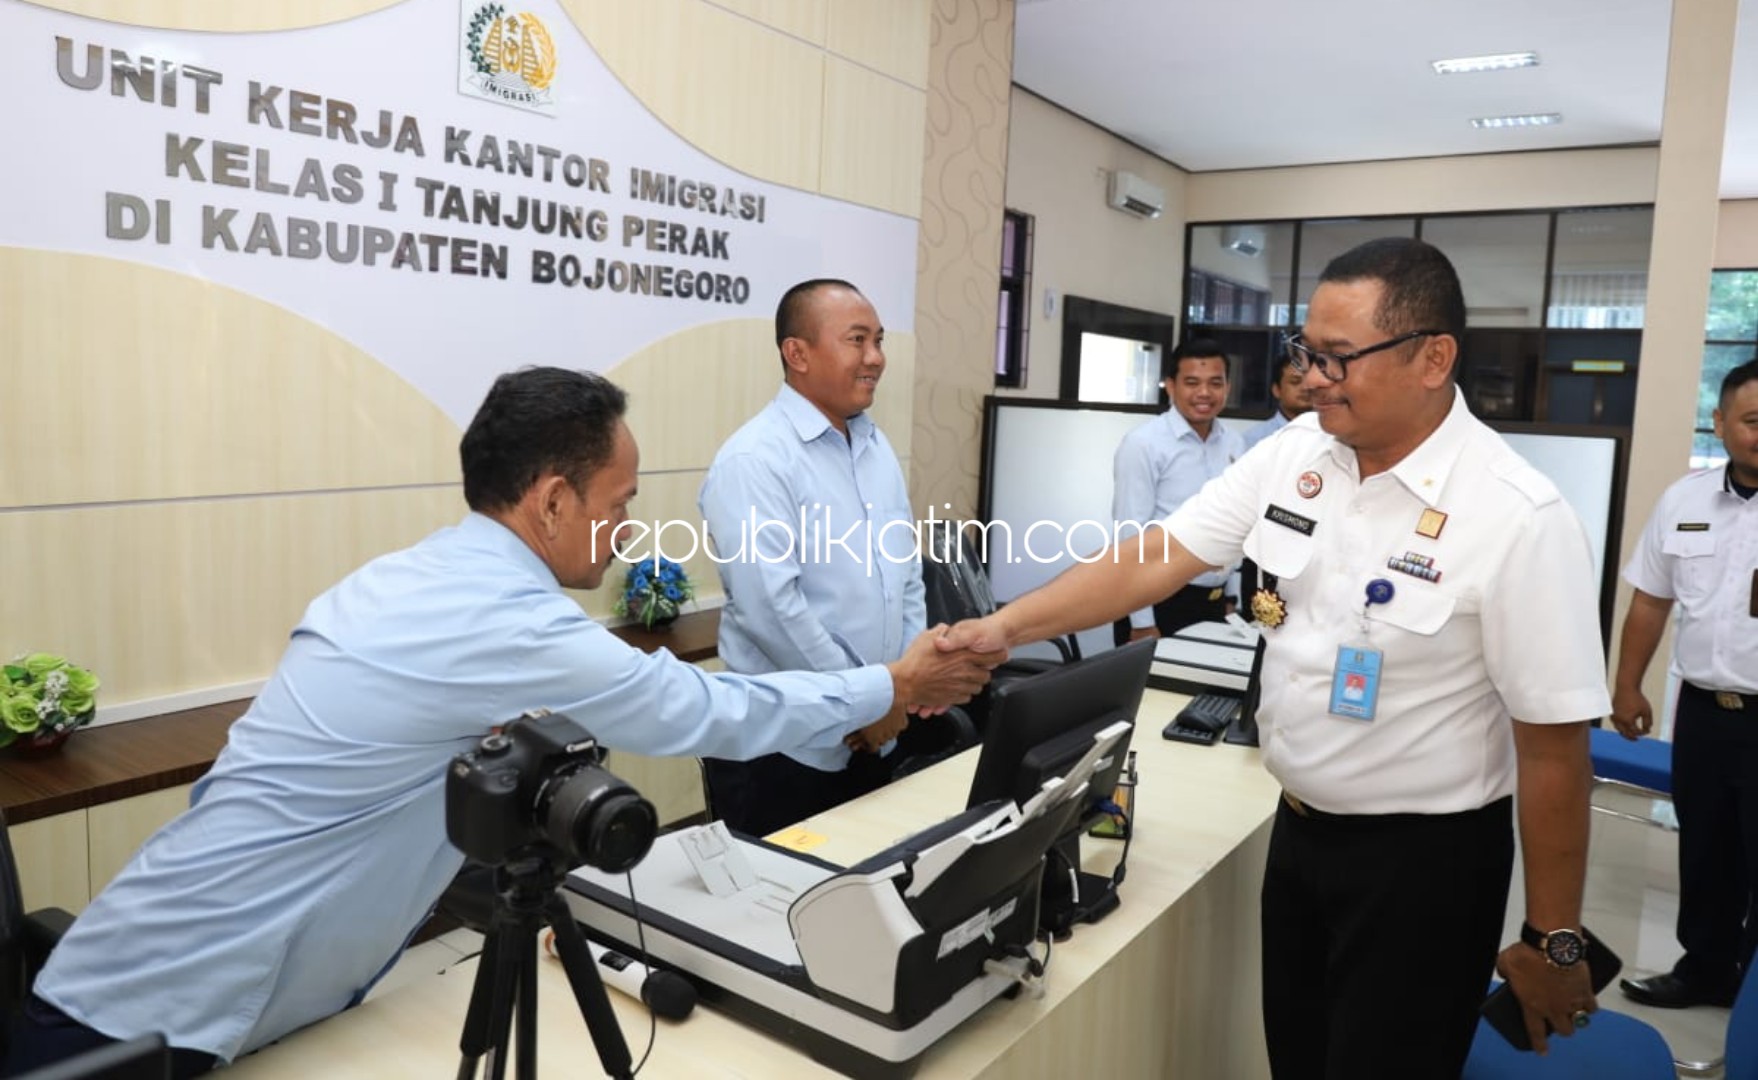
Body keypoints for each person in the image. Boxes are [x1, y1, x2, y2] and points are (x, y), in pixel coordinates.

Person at [7, 367, 997, 1077]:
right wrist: (891, 683)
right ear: (555, 500)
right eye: (620, 502)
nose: (628, 529)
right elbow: (699, 710)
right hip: (154, 1022)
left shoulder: (418, 576)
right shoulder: (500, 619)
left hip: (202, 976)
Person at [939, 237, 1610, 1076]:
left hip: (1424, 871)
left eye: (1338, 357)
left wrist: (1553, 940)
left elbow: (1554, 749)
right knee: (1295, 1059)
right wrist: (1005, 628)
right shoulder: (1297, 455)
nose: (1312, 377)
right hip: (1297, 838)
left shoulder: (1518, 516)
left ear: (1433, 359)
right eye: (1306, 351)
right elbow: (1154, 557)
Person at [698, 279, 926, 837]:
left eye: (879, 340)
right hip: (786, 749)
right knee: (780, 889)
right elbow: (772, 610)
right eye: (857, 340)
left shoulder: (875, 446)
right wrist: (870, 700)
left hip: (879, 731)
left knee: (866, 882)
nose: (875, 358)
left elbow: (907, 577)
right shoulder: (755, 460)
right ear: (796, 353)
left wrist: (903, 686)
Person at [1612, 358, 1758, 1011]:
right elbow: (1651, 600)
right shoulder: (1685, 500)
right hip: (1703, 711)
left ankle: (1753, 996)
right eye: (1753, 420)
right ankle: (1705, 971)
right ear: (1720, 423)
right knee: (1705, 849)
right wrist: (1628, 686)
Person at [1110, 338, 1245, 644]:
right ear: (1171, 386)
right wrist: (1142, 621)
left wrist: (1231, 597)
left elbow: (1236, 523)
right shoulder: (1143, 443)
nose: (1204, 393)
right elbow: (1130, 535)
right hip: (1156, 599)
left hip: (1212, 601)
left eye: (1215, 383)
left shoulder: (1234, 443)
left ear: (1227, 387)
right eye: (1192, 382)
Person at [1242, 349, 1315, 451]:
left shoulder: (1330, 435)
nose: (1305, 388)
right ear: (1276, 390)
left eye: (1310, 382)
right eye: (1295, 382)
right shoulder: (1255, 439)